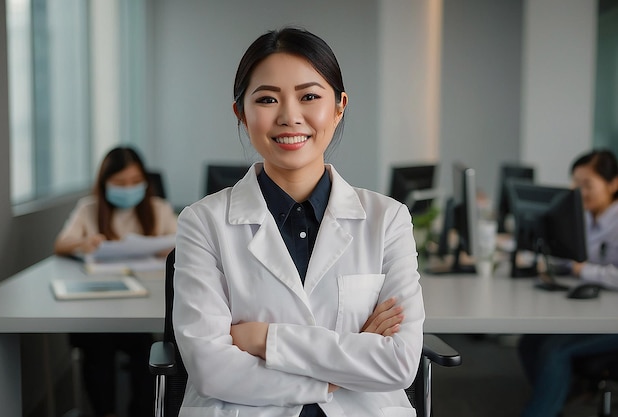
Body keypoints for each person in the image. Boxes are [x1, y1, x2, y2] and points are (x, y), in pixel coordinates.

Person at [173, 27, 425, 417]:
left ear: (339, 106)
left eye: (309, 96)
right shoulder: (202, 222)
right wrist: (338, 372)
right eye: (267, 99)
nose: (290, 117)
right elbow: (210, 369)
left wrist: (265, 339)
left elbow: (399, 362)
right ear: (241, 112)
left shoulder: (387, 219)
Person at [55, 146, 177, 417]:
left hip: (142, 303)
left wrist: (167, 248)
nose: (128, 188)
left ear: (145, 182)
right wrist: (84, 242)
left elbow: (183, 244)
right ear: (104, 183)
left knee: (147, 353)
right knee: (97, 348)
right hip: (98, 305)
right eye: (120, 183)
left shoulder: (158, 208)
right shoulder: (88, 209)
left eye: (135, 182)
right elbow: (61, 244)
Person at [518, 149, 618, 417]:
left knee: (555, 348)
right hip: (600, 309)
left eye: (588, 184)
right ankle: (555, 398)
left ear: (613, 183)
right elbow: (572, 253)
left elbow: (590, 267)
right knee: (529, 341)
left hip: (614, 321)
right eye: (576, 183)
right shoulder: (586, 217)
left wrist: (583, 271)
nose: (579, 191)